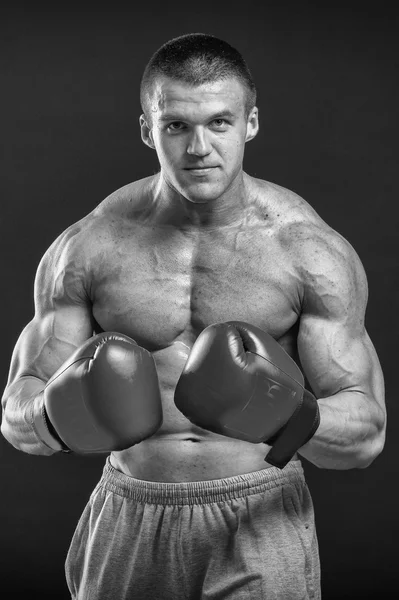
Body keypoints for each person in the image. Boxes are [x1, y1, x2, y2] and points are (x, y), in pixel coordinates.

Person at [1, 33, 386, 600]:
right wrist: (55, 418)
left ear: (251, 123)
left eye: (220, 123)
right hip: (130, 512)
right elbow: (15, 413)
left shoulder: (310, 252)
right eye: (176, 125)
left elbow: (366, 434)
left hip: (259, 516)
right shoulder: (89, 248)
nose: (199, 147)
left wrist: (283, 417)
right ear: (147, 130)